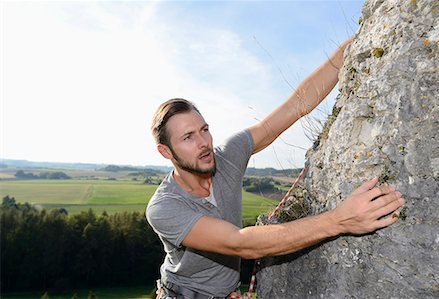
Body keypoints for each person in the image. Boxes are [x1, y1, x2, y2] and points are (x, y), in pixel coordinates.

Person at [146, 38, 405, 299]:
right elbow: (240, 243)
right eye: (188, 137)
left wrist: (349, 50)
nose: (204, 143)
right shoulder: (164, 208)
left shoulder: (226, 158)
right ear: (166, 152)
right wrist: (339, 220)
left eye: (204, 130)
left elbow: (295, 107)